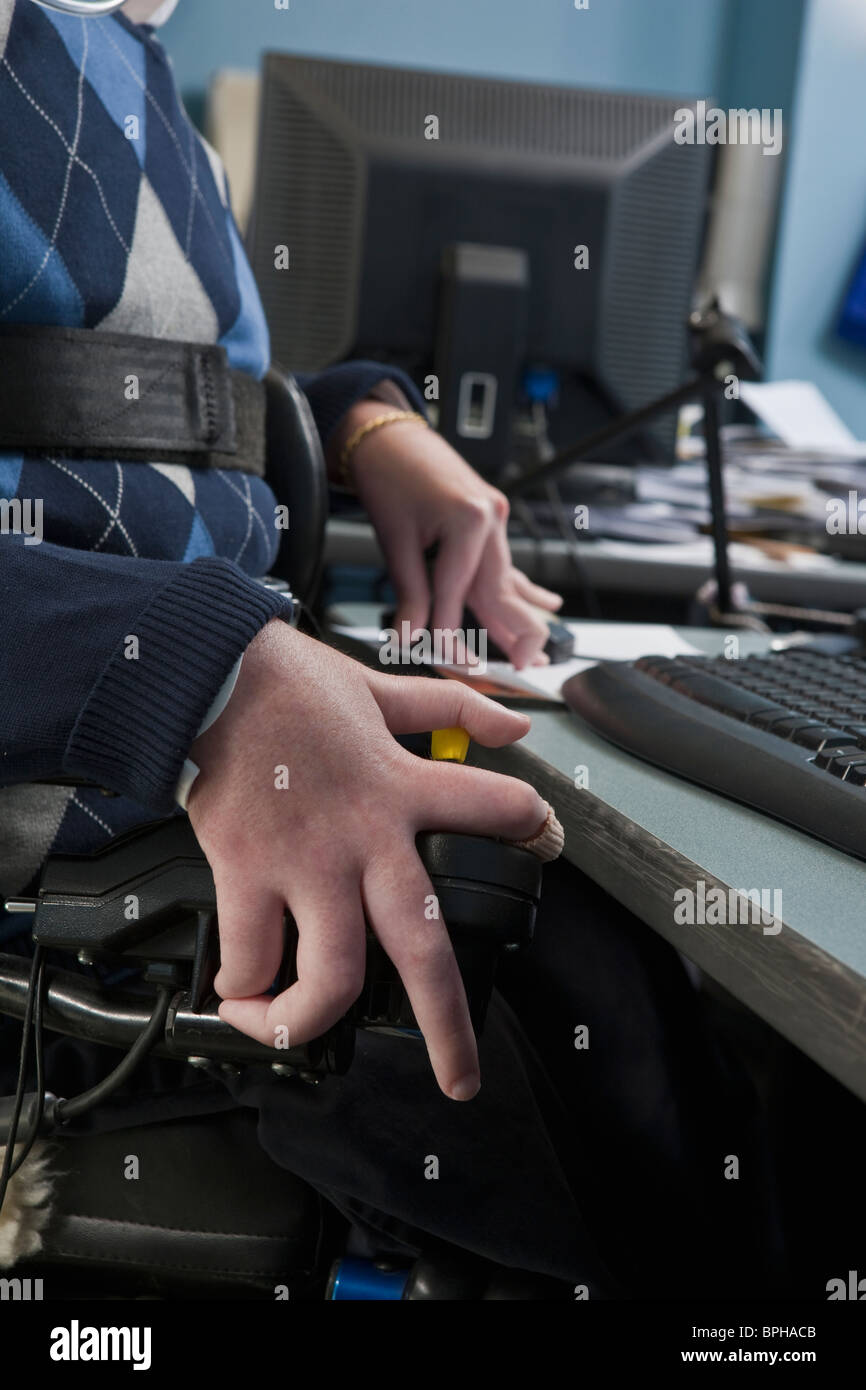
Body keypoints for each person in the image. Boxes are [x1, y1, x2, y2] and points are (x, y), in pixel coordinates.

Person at [0, 0, 777, 1293]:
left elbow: (107, 393)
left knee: (641, 981)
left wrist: (355, 422)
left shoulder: (108, 42)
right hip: (88, 874)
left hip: (173, 765)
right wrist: (208, 678)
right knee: (575, 1023)